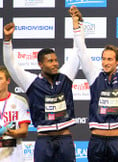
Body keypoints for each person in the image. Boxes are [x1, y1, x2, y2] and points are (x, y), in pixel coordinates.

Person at [3, 6, 81, 162]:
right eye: (50, 61)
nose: (55, 64)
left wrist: (77, 24)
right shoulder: (31, 82)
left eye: (56, 60)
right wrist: (7, 40)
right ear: (40, 64)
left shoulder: (65, 77)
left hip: (65, 140)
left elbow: (79, 51)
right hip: (44, 141)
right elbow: (11, 65)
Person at [71, 1, 118, 161]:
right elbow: (82, 52)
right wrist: (76, 24)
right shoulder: (94, 75)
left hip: (117, 140)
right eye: (103, 59)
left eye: (110, 59)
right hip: (97, 140)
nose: (105, 62)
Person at [0, 66, 31, 162]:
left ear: (8, 81)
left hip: (13, 157)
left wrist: (12, 133)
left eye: (0, 79)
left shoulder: (19, 101)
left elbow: (24, 131)